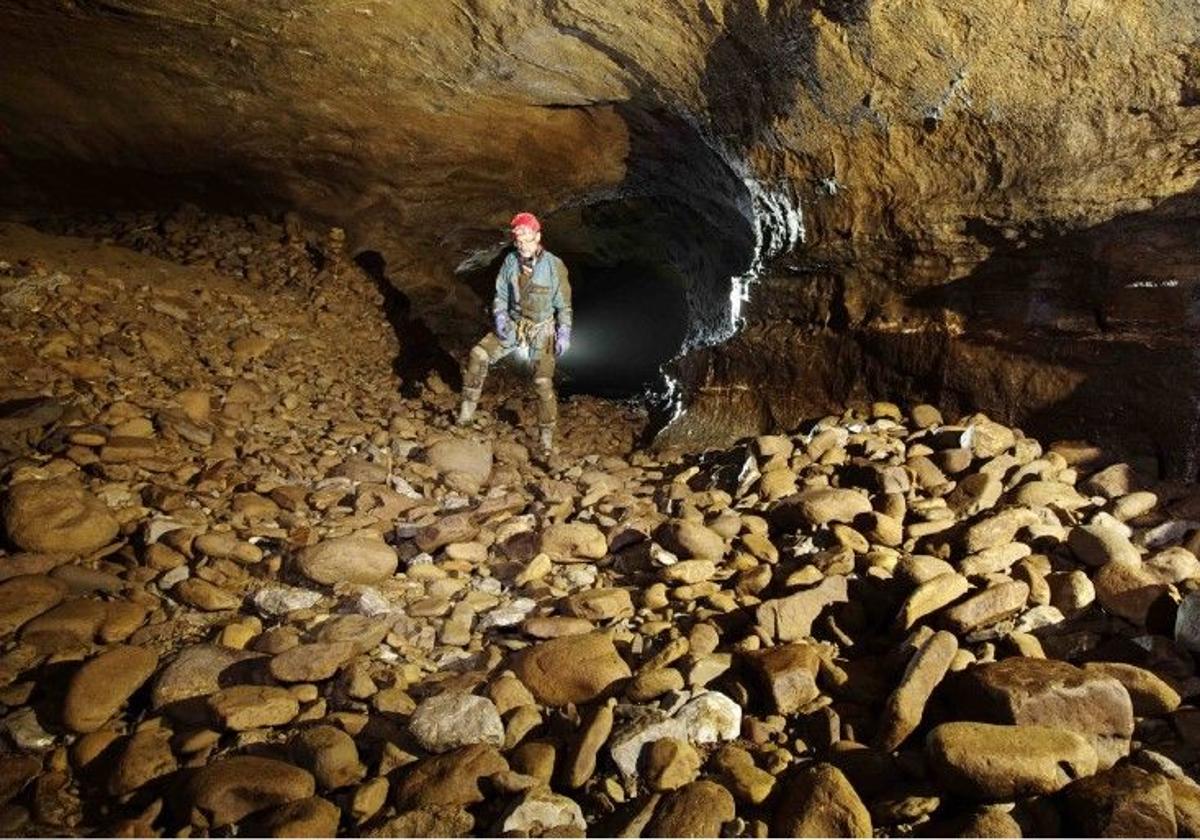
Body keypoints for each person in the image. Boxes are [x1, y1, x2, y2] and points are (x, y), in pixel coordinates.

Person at [458, 212, 572, 453]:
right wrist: (499, 315)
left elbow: (564, 305)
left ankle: (546, 440)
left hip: (542, 330)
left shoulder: (554, 266)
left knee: (542, 382)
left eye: (527, 239)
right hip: (512, 324)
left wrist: (564, 332)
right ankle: (465, 417)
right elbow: (500, 295)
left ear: (538, 237)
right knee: (478, 354)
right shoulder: (510, 261)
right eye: (518, 241)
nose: (522, 245)